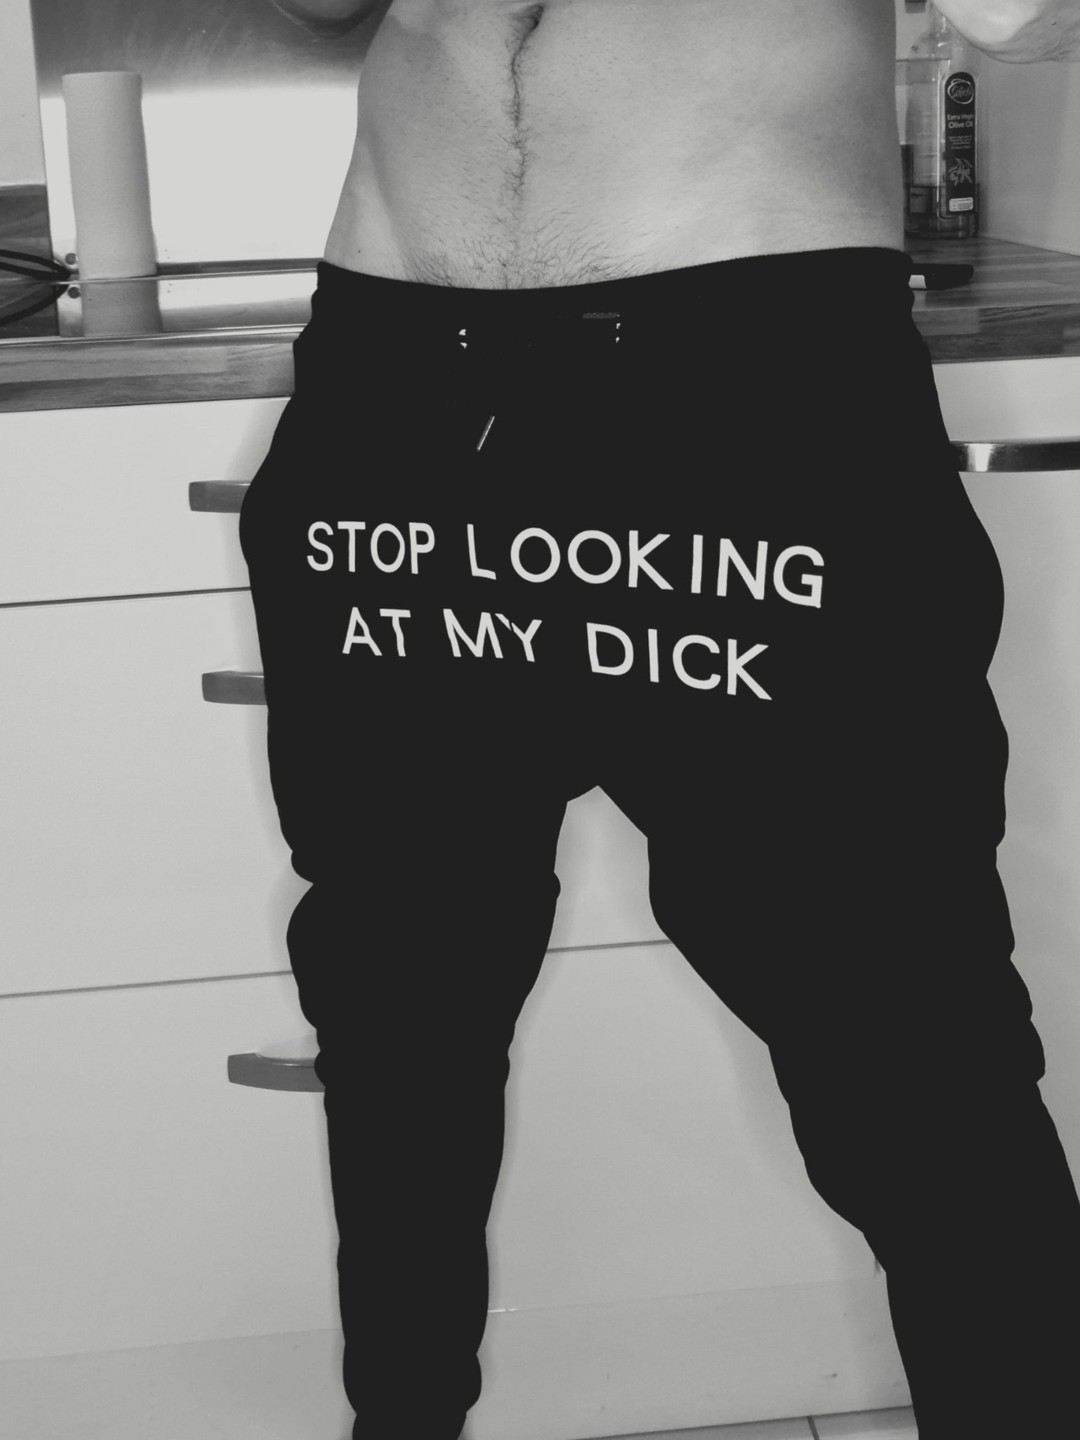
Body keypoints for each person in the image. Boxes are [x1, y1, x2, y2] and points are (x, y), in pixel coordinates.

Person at [240, 1, 1080, 1436]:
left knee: (905, 1032)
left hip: (740, 391)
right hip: (394, 390)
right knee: (397, 1008)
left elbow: (1023, 17)